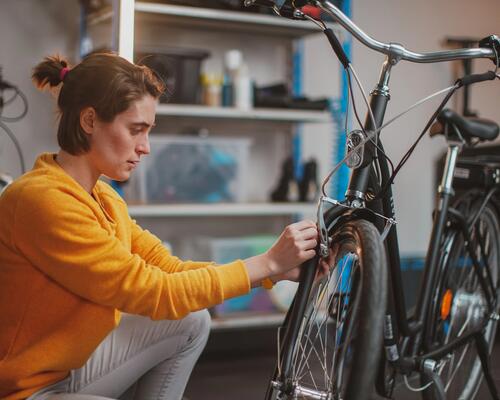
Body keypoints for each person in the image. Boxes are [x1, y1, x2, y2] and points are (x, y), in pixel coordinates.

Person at [0, 53, 320, 400]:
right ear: (89, 120)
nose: (146, 147)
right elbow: (155, 292)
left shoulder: (103, 198)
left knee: (191, 320)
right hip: (23, 390)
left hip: (68, 370)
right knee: (178, 309)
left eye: (148, 131)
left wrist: (274, 270)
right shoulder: (42, 199)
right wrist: (267, 263)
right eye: (135, 129)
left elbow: (170, 271)